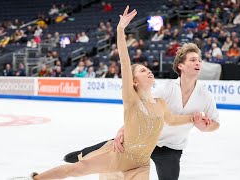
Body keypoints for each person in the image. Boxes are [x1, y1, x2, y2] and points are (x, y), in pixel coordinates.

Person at [8, 6, 206, 180]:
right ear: (134, 81)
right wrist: (120, 29)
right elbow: (125, 61)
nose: (149, 71)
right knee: (76, 170)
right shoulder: (131, 100)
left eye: (148, 69)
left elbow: (171, 120)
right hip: (118, 156)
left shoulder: (160, 103)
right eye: (143, 70)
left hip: (141, 163)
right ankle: (34, 179)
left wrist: (193, 118)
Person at [64, 21, 220, 180]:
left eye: (199, 60)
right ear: (180, 65)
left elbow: (215, 123)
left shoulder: (205, 95)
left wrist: (206, 127)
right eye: (193, 60)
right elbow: (141, 108)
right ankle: (83, 153)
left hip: (171, 148)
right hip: (145, 138)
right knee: (114, 143)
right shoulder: (167, 89)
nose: (198, 63)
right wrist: (123, 130)